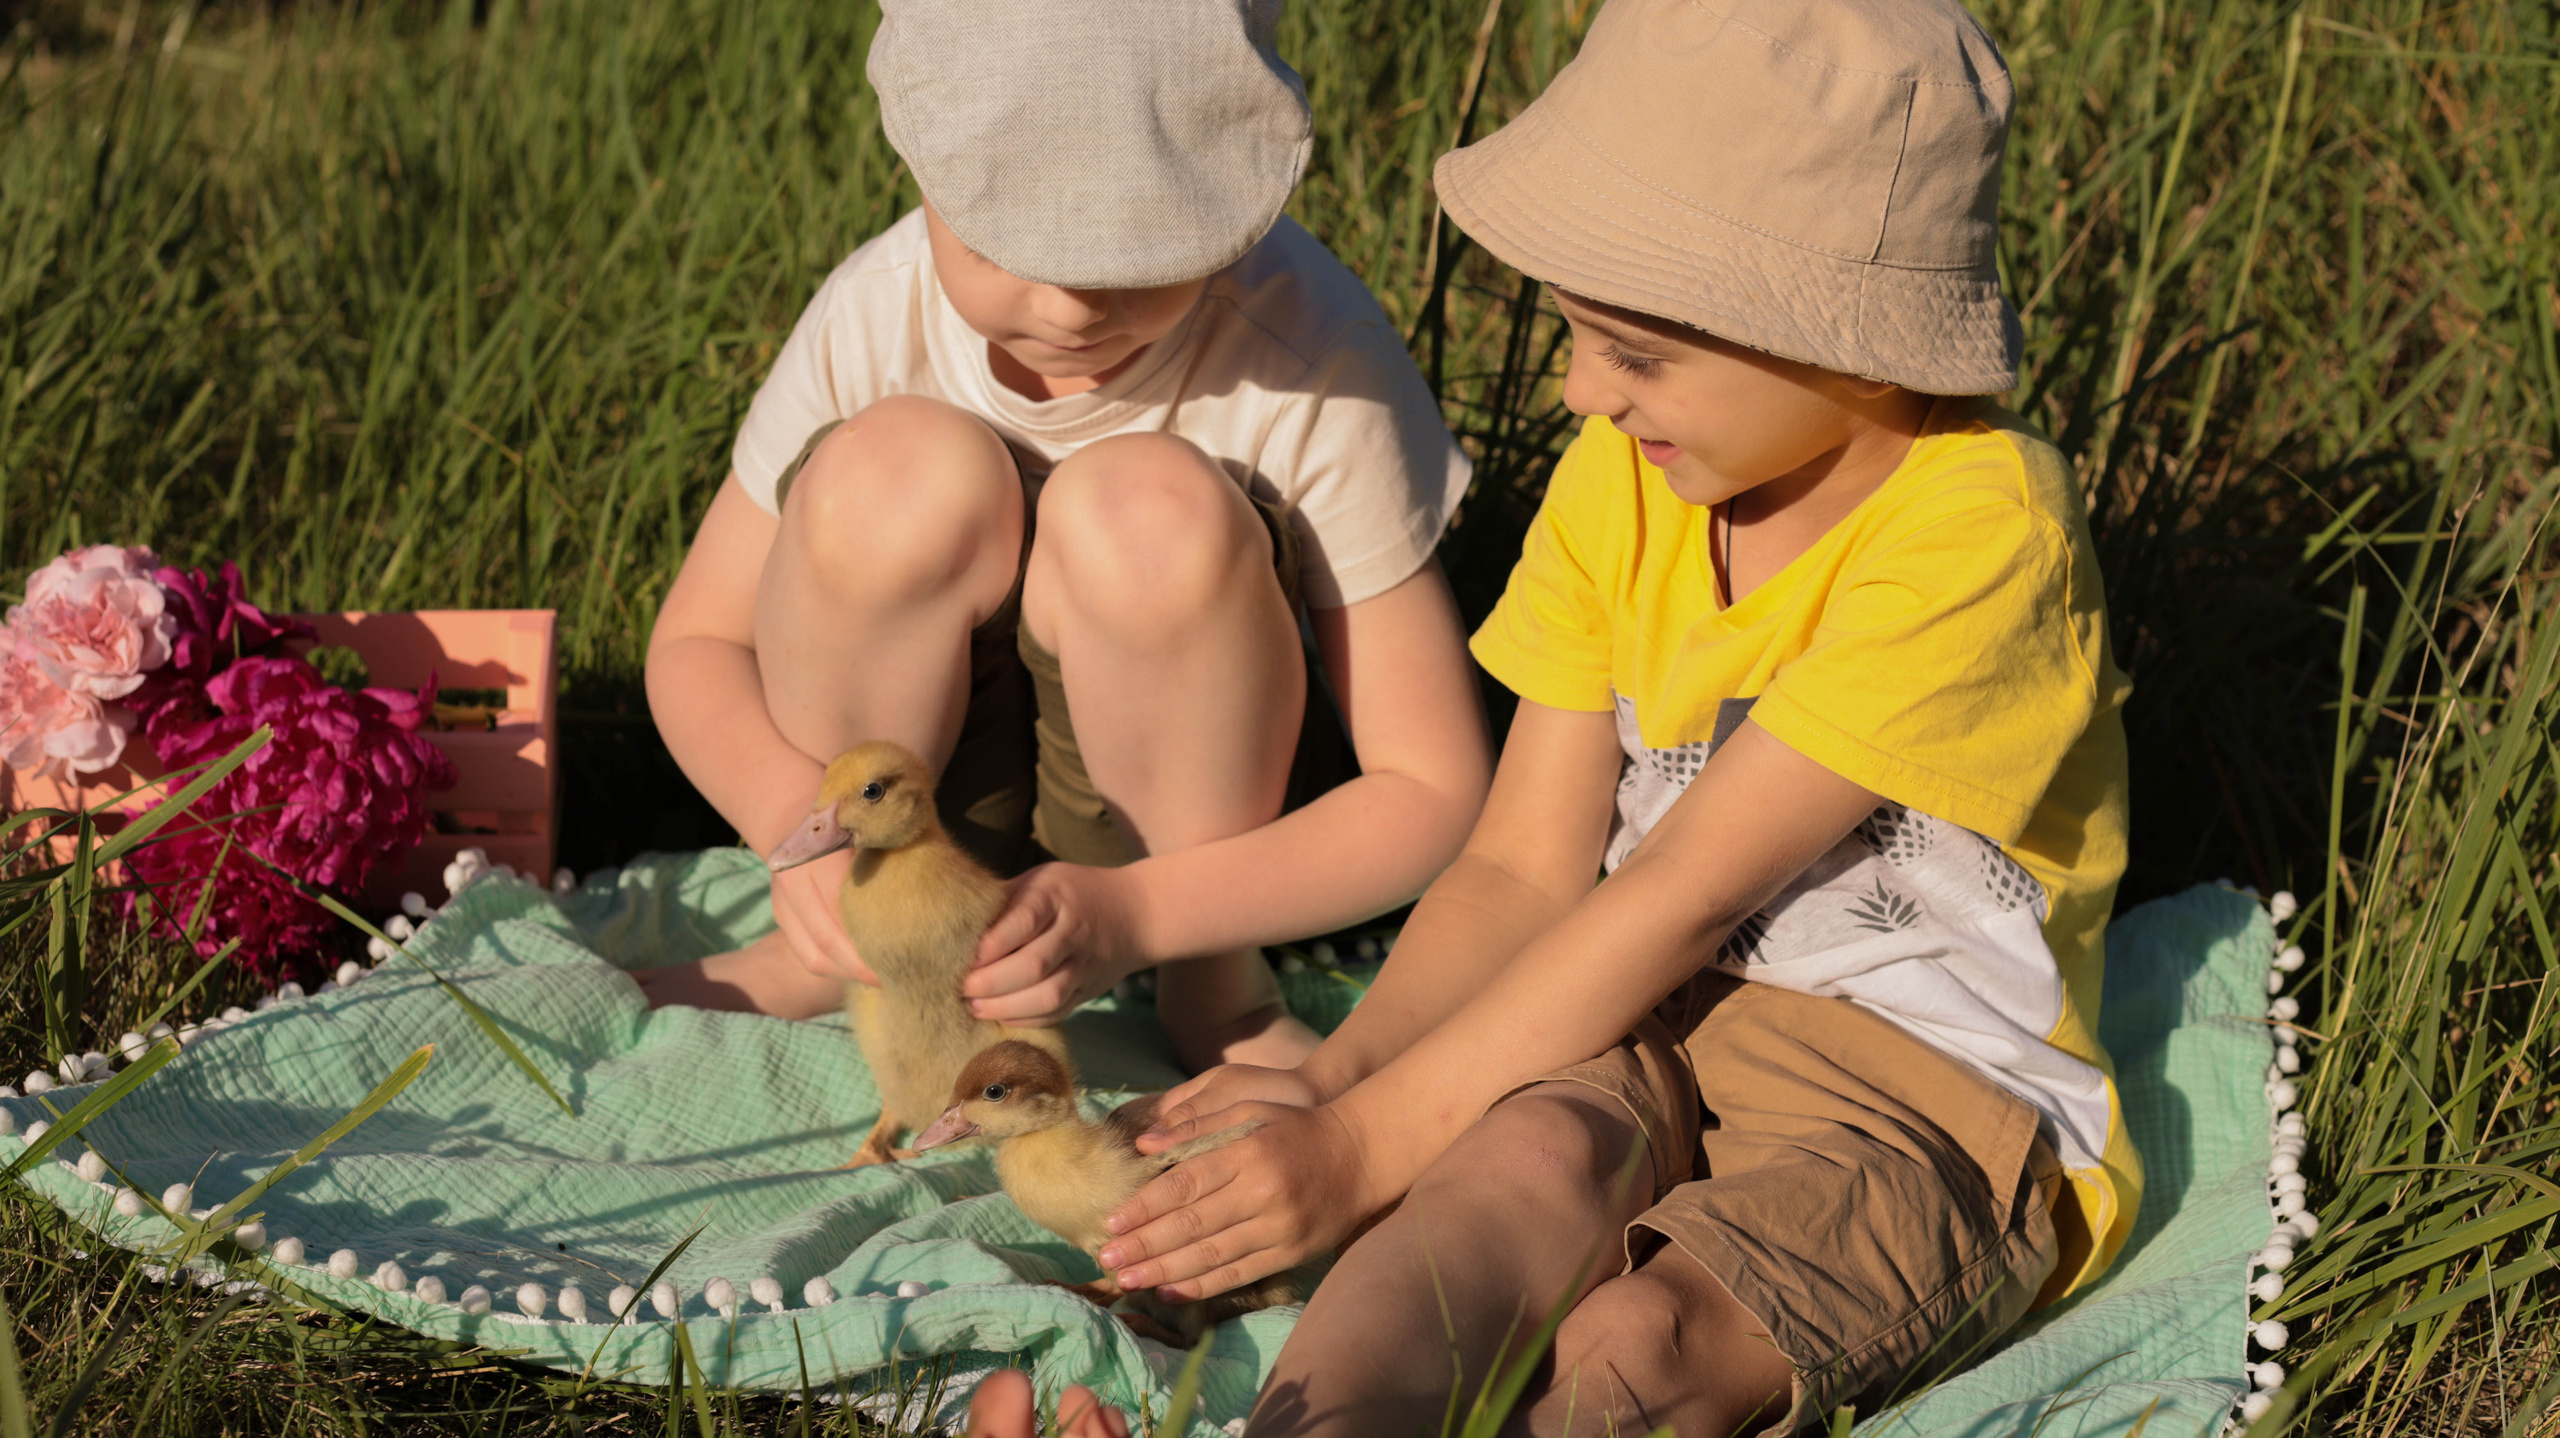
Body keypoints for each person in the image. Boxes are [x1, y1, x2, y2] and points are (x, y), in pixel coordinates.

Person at [981, 0, 2148, 1432]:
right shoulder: (1628, 477)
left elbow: (1674, 888)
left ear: (1852, 344)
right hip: (1640, 1012)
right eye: (1583, 341)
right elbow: (1526, 866)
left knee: (1641, 1337)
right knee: (1514, 1167)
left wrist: (1357, 1148)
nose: (1582, 389)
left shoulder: (1981, 534)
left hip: (1910, 1092)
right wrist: (1341, 1084)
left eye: (1636, 354)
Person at [640, 0, 1491, 1074]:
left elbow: (1431, 786)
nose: (1071, 301)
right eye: (1007, 237)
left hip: (1200, 835)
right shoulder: (878, 312)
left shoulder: (1306, 355)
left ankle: (1212, 982)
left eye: (1140, 243)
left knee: (1144, 510)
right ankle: (852, 929)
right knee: (890, 472)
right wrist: (795, 825)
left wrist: (1147, 913)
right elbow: (696, 643)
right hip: (921, 810)